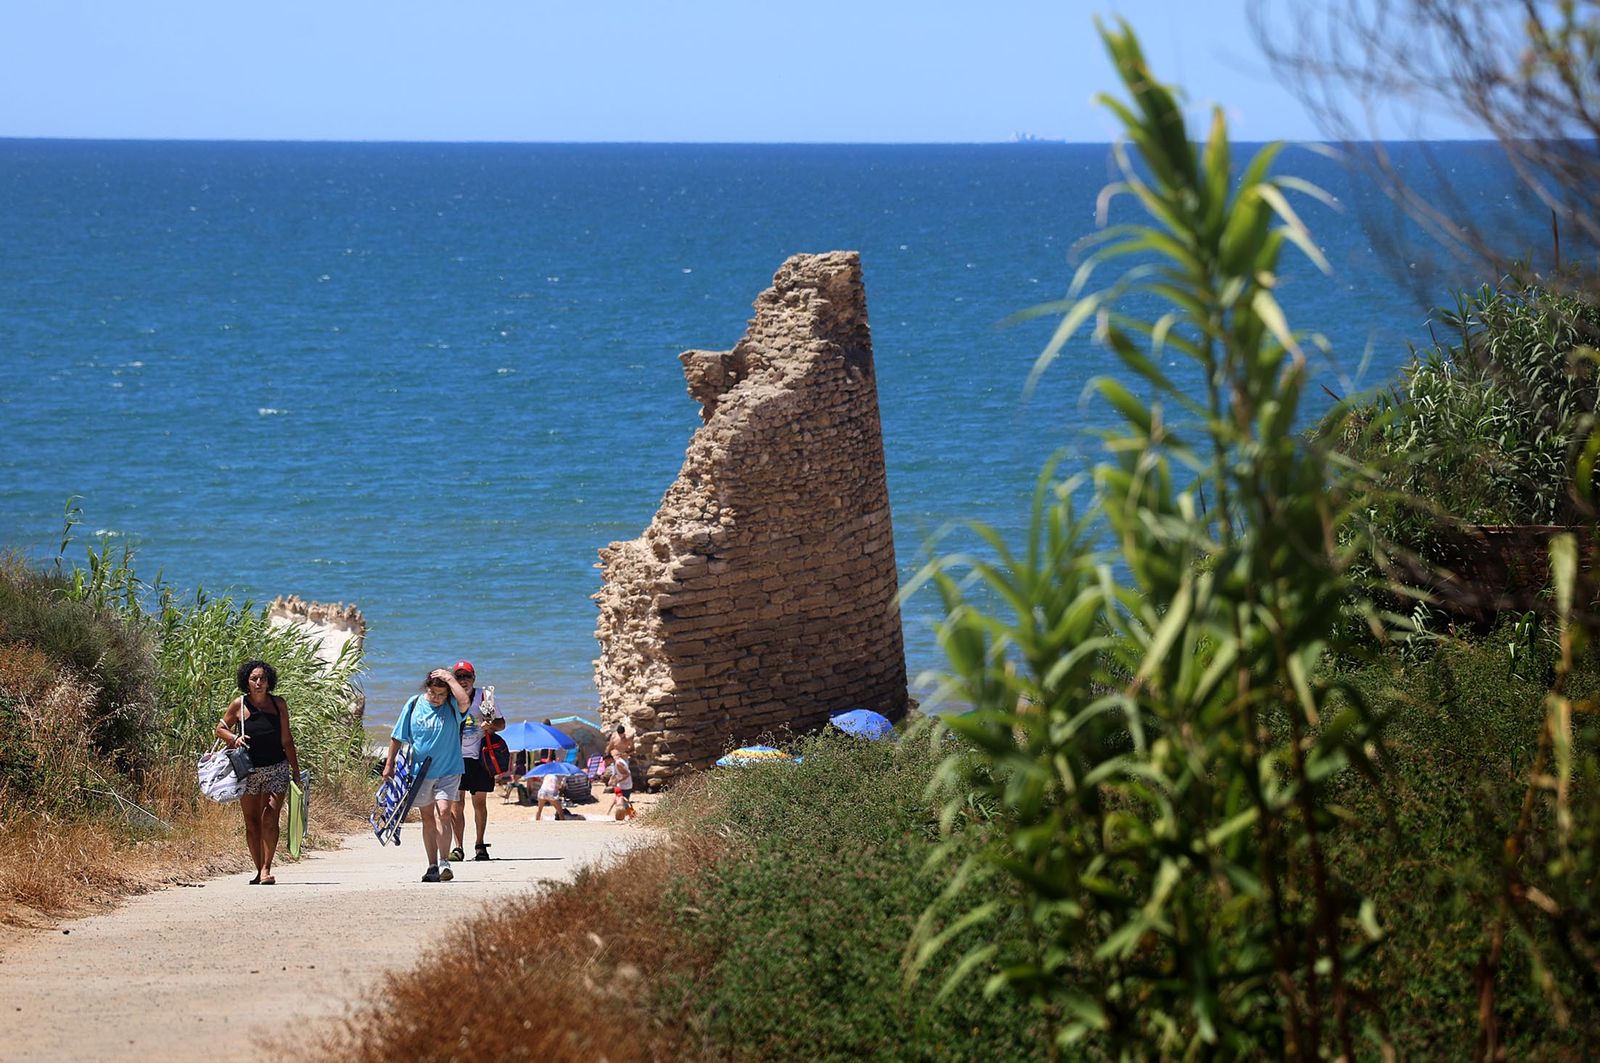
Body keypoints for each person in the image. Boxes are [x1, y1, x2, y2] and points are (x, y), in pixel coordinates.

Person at [215, 660, 300, 886]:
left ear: (269, 680)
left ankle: (266, 869)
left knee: (270, 817)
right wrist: (234, 738)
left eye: (262, 678)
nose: (259, 682)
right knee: (252, 822)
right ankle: (257, 869)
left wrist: (296, 771)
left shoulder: (278, 704)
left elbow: (287, 739)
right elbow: (220, 728)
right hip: (248, 770)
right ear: (247, 681)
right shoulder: (239, 704)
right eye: (254, 679)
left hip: (276, 768)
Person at [383, 668, 472, 883]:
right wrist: (389, 764)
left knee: (443, 811)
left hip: (449, 769)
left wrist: (451, 679)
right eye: (433, 693)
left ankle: (444, 862)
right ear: (427, 689)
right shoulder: (414, 704)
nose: (437, 698)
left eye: (442, 695)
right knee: (427, 818)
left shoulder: (452, 705)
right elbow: (397, 736)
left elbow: (465, 702)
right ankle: (432, 865)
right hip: (420, 772)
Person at [445, 661, 504, 863]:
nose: (463, 681)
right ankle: (458, 847)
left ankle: (480, 845)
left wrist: (491, 725)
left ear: (474, 678)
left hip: (480, 758)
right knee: (456, 804)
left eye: (467, 676)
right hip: (455, 757)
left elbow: (502, 724)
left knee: (479, 803)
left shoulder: (485, 696)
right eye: (459, 676)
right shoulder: (448, 697)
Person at [603, 753, 636, 820]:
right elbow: (615, 774)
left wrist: (617, 781)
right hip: (622, 785)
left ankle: (632, 815)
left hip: (626, 785)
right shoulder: (615, 763)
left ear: (610, 759)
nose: (606, 763)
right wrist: (611, 780)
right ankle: (631, 815)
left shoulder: (618, 764)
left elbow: (627, 774)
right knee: (623, 802)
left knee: (625, 803)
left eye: (606, 761)